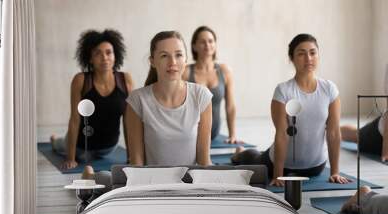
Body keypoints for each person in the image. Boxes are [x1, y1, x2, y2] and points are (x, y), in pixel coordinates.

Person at [231, 33, 350, 186]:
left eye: (312, 53)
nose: (308, 58)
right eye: (301, 53)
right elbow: (282, 133)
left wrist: (334, 172)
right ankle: (239, 152)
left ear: (318, 55)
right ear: (292, 58)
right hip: (281, 165)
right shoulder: (283, 90)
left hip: (315, 167)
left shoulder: (329, 89)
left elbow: (333, 132)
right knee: (252, 158)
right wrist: (278, 175)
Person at [125, 30, 213, 166]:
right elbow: (137, 164)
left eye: (178, 55)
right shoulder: (137, 100)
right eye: (164, 56)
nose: (173, 62)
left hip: (192, 185)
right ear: (152, 61)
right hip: (152, 184)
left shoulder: (201, 96)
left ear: (186, 59)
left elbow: (204, 161)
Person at [51, 29, 133, 169]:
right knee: (60, 144)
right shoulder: (81, 80)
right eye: (97, 53)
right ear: (90, 58)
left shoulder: (125, 80)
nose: (104, 57)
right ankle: (54, 141)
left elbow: (128, 121)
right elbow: (75, 119)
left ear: (115, 55)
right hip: (81, 148)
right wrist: (70, 158)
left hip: (109, 147)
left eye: (108, 52)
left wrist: (131, 157)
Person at [183, 26, 240, 143]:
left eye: (210, 41)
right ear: (194, 46)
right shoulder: (185, 72)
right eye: (202, 42)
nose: (207, 45)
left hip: (213, 133)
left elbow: (230, 107)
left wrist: (232, 135)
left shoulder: (225, 71)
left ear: (215, 44)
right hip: (189, 133)